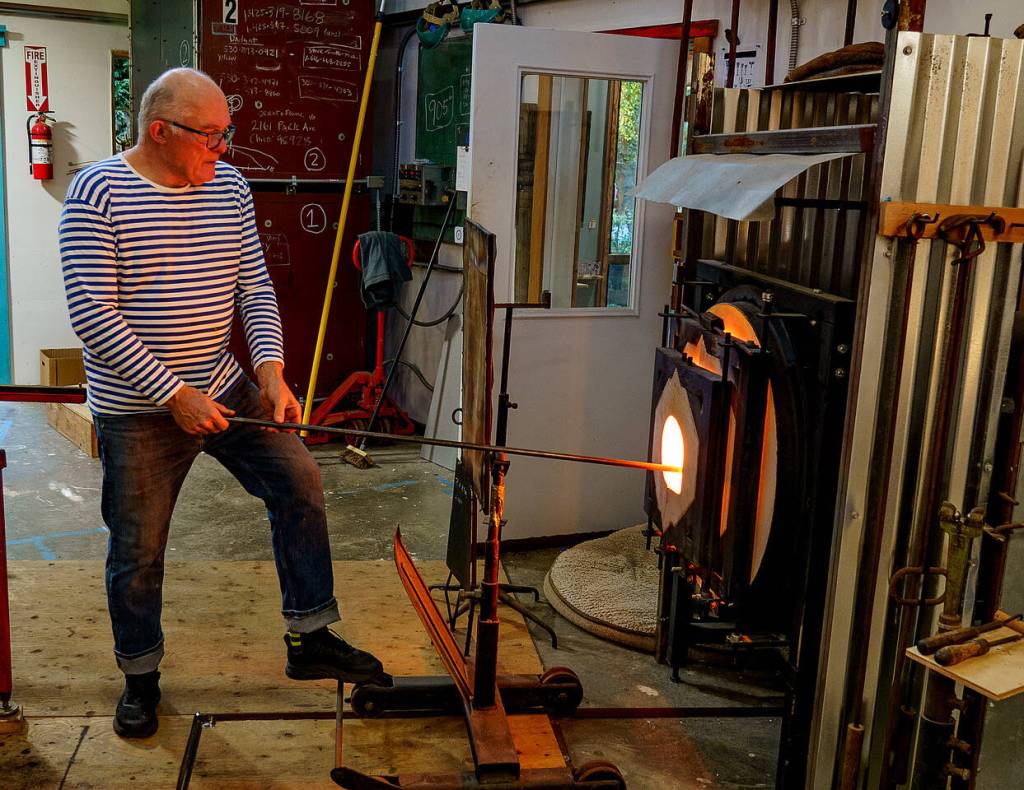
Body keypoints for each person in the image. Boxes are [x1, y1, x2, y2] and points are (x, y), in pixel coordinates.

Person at [58, 68, 386, 739]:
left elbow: (254, 287)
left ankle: (309, 636)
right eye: (210, 135)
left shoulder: (228, 188)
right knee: (139, 547)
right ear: (161, 131)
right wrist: (173, 395)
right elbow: (93, 316)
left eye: (225, 133)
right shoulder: (97, 192)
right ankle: (141, 676)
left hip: (222, 381)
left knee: (300, 481)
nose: (224, 148)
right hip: (139, 407)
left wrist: (270, 371)